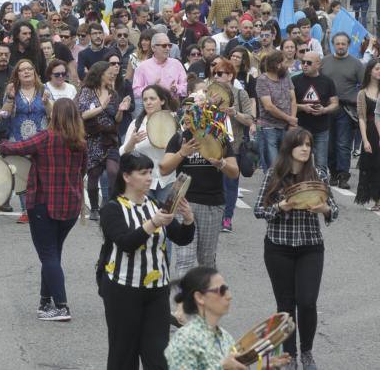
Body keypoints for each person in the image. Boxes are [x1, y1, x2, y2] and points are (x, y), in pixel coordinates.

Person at [98, 152, 195, 370]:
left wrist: (188, 219)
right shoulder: (112, 209)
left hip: (157, 290)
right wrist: (153, 223)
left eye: (150, 172)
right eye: (143, 173)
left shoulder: (154, 204)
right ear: (126, 176)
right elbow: (126, 243)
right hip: (123, 289)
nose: (149, 178)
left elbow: (181, 238)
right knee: (123, 356)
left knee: (159, 357)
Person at [254, 127, 338, 370]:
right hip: (278, 247)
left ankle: (307, 352)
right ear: (289, 148)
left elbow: (334, 209)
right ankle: (290, 355)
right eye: (300, 144)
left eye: (308, 145)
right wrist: (280, 207)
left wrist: (324, 209)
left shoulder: (318, 174)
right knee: (285, 304)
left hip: (310, 246)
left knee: (307, 301)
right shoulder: (274, 174)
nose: (305, 149)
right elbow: (259, 209)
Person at [0, 98, 87, 321]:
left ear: (54, 115)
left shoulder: (46, 137)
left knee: (48, 255)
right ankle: (45, 302)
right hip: (71, 205)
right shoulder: (80, 142)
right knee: (53, 254)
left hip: (43, 204)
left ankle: (62, 306)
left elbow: (18, 147)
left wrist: (0, 145)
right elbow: (83, 171)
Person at [159, 98, 239, 287]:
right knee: (184, 260)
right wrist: (182, 153)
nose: (187, 117)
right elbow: (164, 168)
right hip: (183, 203)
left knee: (206, 260)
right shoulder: (180, 138)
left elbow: (234, 172)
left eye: (193, 113)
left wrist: (221, 163)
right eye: (186, 112)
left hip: (212, 203)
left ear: (205, 116)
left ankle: (207, 299)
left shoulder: (219, 136)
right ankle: (185, 302)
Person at [165, 266, 290, 370]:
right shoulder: (184, 340)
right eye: (222, 290)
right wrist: (221, 367)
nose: (229, 296)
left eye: (227, 289)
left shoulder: (225, 337)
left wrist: (265, 367)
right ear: (200, 297)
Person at [0, 58, 52, 223]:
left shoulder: (43, 89)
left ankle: (42, 208)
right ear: (17, 74)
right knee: (22, 175)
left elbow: (52, 115)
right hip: (18, 139)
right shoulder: (12, 90)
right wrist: (10, 99)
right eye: (22, 70)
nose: (26, 71)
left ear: (34, 72)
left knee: (41, 175)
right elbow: (4, 115)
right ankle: (26, 211)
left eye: (29, 68)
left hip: (41, 139)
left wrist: (47, 103)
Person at [76, 61, 129, 219]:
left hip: (110, 139)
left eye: (113, 73)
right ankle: (94, 208)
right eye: (109, 73)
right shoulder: (87, 91)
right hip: (92, 139)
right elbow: (82, 114)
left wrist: (121, 110)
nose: (112, 75)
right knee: (94, 175)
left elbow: (117, 120)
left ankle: (111, 204)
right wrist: (101, 108)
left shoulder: (113, 93)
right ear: (100, 74)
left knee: (113, 171)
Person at [210, 60, 255, 233]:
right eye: (214, 73)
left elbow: (250, 119)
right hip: (212, 145)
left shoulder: (240, 93)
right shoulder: (209, 92)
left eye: (220, 73)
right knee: (214, 184)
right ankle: (215, 216)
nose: (216, 76)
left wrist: (235, 113)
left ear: (230, 76)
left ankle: (227, 218)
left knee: (230, 184)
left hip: (233, 146)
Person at [321, 32, 364, 189]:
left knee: (343, 144)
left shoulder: (356, 64)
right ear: (333, 44)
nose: (340, 46)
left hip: (346, 109)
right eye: (337, 43)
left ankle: (343, 175)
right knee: (329, 144)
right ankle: (333, 173)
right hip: (326, 109)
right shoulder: (324, 62)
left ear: (348, 45)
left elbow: (364, 86)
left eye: (343, 44)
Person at [292, 52, 338, 174]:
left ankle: (321, 185)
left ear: (318, 64)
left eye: (309, 63)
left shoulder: (327, 81)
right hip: (300, 128)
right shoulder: (294, 80)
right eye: (303, 62)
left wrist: (324, 110)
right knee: (299, 162)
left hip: (321, 128)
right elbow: (288, 104)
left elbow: (335, 103)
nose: (305, 65)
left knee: (321, 164)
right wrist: (302, 107)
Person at [256, 51, 297, 171]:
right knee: (273, 167)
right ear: (277, 64)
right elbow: (268, 106)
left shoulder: (286, 76)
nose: (287, 65)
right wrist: (289, 118)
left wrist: (292, 122)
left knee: (287, 165)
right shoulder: (262, 80)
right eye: (284, 62)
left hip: (286, 127)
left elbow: (293, 99)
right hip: (269, 128)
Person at [357, 59, 380, 209]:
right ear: (370, 71)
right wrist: (365, 140)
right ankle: (376, 198)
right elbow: (362, 118)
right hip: (371, 132)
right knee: (373, 165)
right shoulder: (362, 93)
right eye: (377, 68)